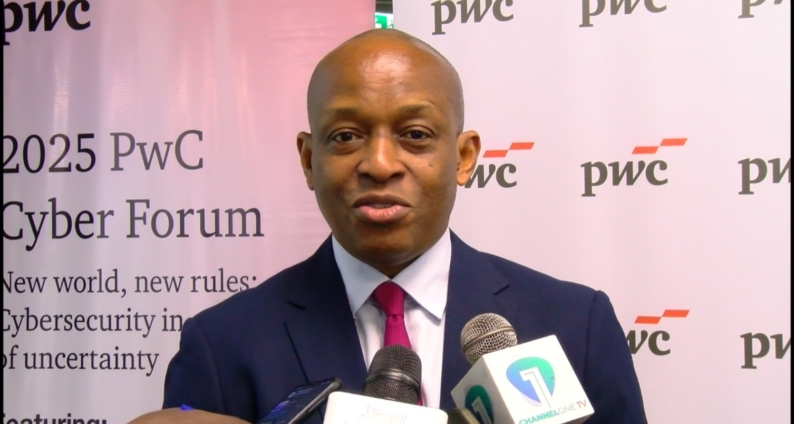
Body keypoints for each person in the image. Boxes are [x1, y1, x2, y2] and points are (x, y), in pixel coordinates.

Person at [160, 28, 647, 424]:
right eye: (346, 136)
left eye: (415, 134)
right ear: (309, 160)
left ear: (463, 157)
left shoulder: (575, 326)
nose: (379, 164)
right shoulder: (223, 346)